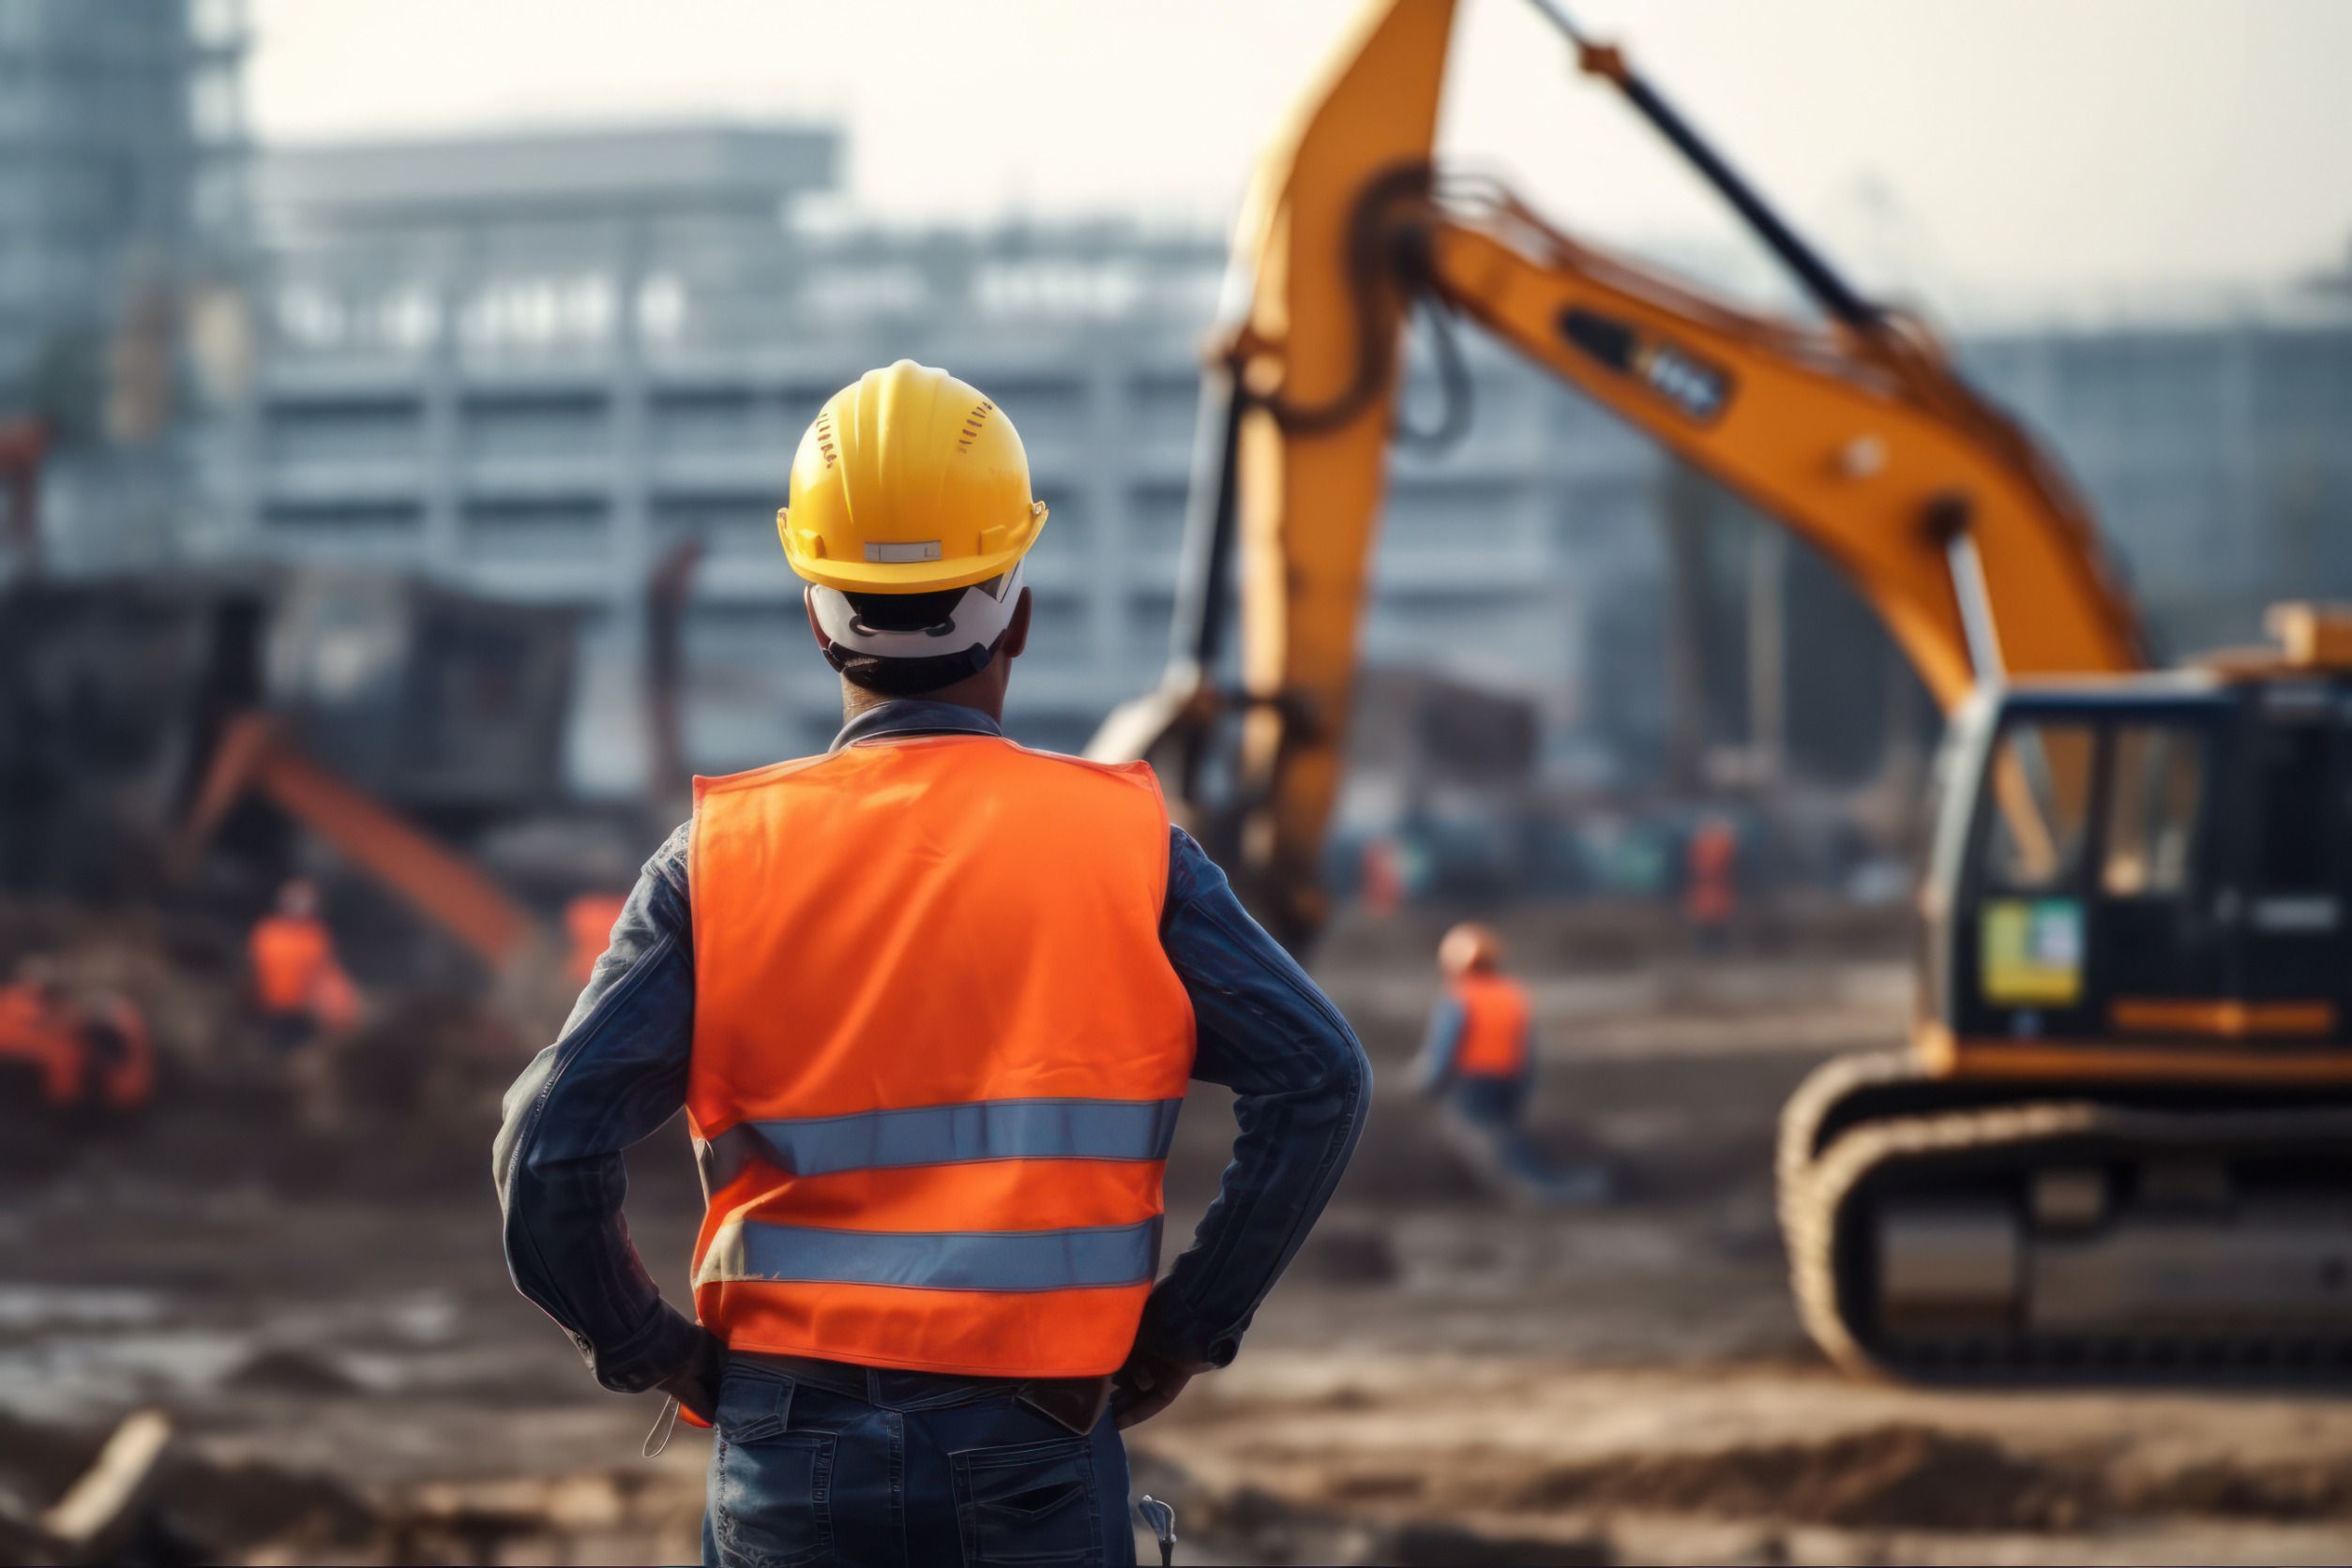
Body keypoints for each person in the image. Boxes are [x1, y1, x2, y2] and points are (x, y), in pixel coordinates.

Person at [494, 361, 1370, 1568]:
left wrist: (656, 1352)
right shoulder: (1129, 848)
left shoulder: (718, 861)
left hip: (787, 1440)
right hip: (1039, 1433)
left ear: (818, 613)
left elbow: (545, 1147)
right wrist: (1185, 1329)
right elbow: (1320, 1080)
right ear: (1018, 610)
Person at [1412, 922, 1606, 1207]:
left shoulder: (1459, 997)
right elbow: (1526, 1051)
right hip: (1509, 1079)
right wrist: (1524, 1090)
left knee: (1483, 1138)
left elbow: (1445, 1050)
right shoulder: (1512, 994)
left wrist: (1429, 1085)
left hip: (1473, 1081)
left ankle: (1533, 1188)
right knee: (1506, 1134)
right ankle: (1543, 1182)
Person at [248, 879, 360, 1052]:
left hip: (301, 1017)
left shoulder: (317, 937)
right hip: (264, 1011)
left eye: (304, 899)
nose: (298, 904)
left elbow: (321, 977)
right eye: (294, 898)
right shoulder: (267, 931)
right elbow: (253, 970)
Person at [1684, 815, 1738, 953]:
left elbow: (1693, 864)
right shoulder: (1724, 843)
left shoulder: (1702, 842)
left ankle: (1708, 947)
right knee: (1716, 919)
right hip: (1718, 887)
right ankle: (1715, 947)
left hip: (1708, 887)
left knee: (1708, 919)